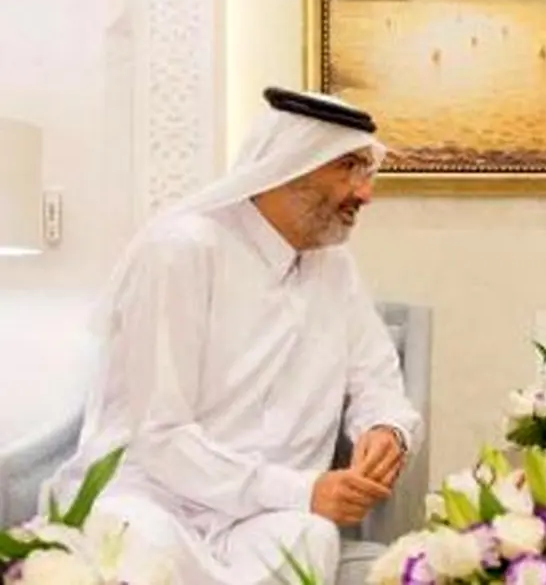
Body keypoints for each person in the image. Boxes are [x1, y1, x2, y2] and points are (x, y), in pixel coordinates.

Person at [42, 87, 424, 584]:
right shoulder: (180, 251)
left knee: (311, 537)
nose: (364, 194)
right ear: (293, 165)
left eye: (366, 172)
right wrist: (301, 490)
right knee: (137, 540)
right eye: (347, 168)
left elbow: (378, 380)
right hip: (156, 499)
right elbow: (159, 435)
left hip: (260, 517)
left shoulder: (335, 269)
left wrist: (387, 429)